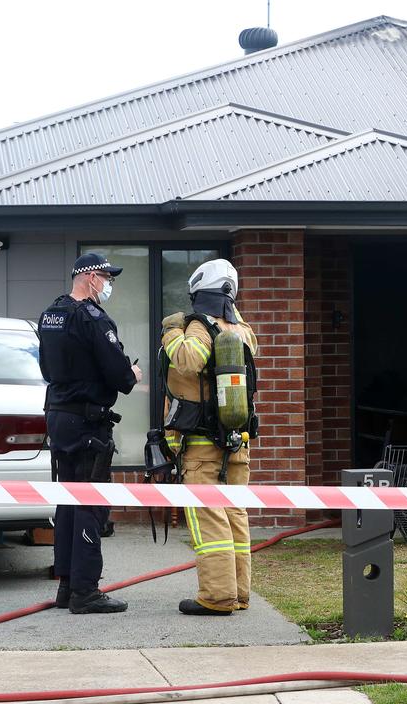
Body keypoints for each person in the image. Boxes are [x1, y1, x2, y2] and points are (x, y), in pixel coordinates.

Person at [39, 253, 142, 615]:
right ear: (90, 278)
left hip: (58, 416)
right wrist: (132, 373)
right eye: (105, 277)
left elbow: (46, 367)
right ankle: (85, 590)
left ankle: (66, 585)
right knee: (90, 502)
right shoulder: (94, 318)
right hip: (86, 422)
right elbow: (121, 376)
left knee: (67, 499)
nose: (108, 283)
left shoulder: (51, 314)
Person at [160, 259, 259, 616]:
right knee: (235, 513)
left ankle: (217, 597)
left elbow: (188, 360)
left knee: (209, 519)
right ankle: (240, 592)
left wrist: (171, 329)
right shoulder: (242, 328)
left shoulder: (201, 326)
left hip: (203, 447)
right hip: (236, 442)